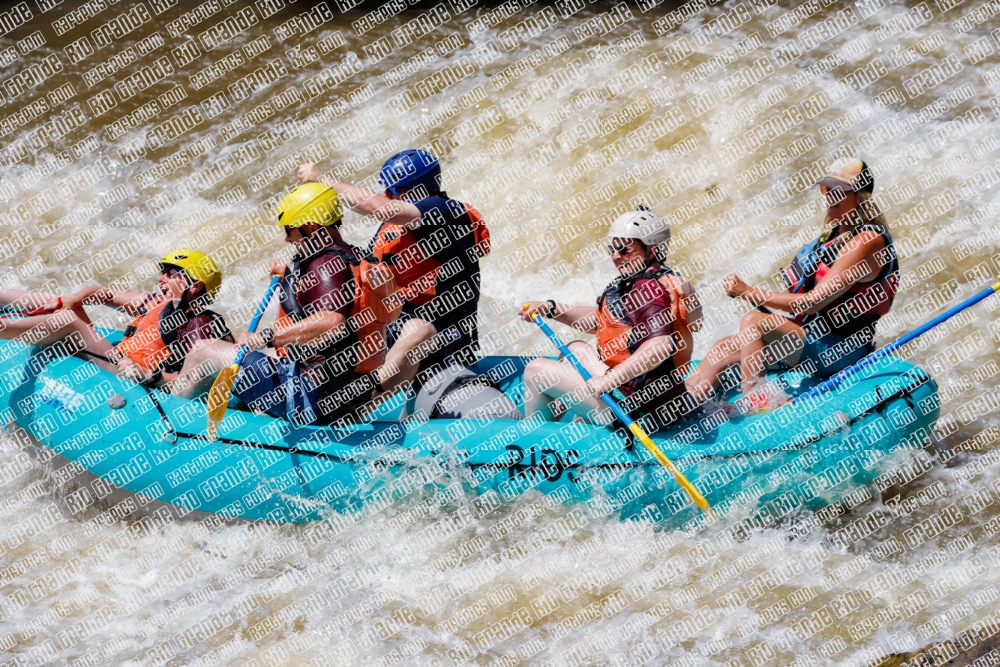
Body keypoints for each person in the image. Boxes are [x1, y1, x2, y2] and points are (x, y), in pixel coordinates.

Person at [170, 183, 399, 425]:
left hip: (311, 399)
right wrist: (289, 280)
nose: (287, 238)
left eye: (290, 229)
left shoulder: (325, 265)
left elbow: (333, 323)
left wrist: (266, 336)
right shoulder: (353, 256)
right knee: (268, 353)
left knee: (202, 351)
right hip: (345, 399)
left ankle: (174, 422)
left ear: (310, 226)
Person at [684, 159, 898, 405]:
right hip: (813, 337)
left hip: (842, 349)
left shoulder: (867, 241)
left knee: (753, 322)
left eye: (838, 190)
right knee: (723, 348)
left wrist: (748, 292)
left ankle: (757, 405)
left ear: (859, 196)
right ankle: (679, 409)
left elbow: (812, 304)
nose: (829, 196)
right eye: (826, 189)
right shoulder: (835, 235)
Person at [296, 149, 489, 397]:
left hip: (444, 338)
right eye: (387, 188)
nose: (387, 195)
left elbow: (375, 206)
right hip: (394, 328)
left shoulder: (446, 213)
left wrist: (323, 179)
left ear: (421, 188)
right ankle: (296, 388)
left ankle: (360, 405)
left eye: (396, 190)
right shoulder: (394, 228)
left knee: (416, 329)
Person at [519, 208, 703, 431]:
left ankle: (533, 445)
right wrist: (551, 308)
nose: (616, 256)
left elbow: (660, 346)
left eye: (625, 250)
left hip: (639, 412)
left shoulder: (646, 290)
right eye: (614, 249)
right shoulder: (660, 278)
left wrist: (608, 381)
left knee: (536, 370)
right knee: (575, 348)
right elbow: (603, 323)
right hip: (650, 398)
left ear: (652, 251)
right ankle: (574, 419)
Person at [0, 249, 232, 383]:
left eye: (171, 273)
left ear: (195, 287)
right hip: (115, 356)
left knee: (71, 321)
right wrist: (72, 299)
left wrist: (149, 374)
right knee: (67, 305)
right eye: (162, 272)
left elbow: (192, 379)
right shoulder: (153, 301)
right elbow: (104, 293)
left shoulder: (199, 323)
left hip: (128, 374)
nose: (161, 278)